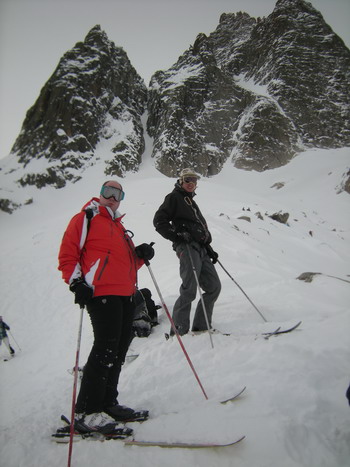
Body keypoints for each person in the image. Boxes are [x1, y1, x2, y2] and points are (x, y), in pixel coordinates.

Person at [58, 180, 155, 432]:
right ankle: (87, 412)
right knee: (105, 349)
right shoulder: (85, 219)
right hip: (101, 293)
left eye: (117, 194)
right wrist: (76, 282)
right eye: (107, 192)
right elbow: (68, 255)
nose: (112, 197)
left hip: (126, 294)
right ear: (100, 195)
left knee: (119, 351)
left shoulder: (119, 227)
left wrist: (141, 255)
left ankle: (108, 403)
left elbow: (128, 266)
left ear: (121, 198)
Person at [153, 168, 221, 336]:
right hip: (188, 248)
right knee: (189, 289)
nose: (191, 183)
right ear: (181, 181)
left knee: (213, 287)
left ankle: (201, 327)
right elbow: (159, 221)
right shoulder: (174, 197)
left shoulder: (190, 201)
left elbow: (197, 228)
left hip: (201, 249)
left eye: (194, 180)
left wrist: (209, 249)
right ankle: (179, 332)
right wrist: (176, 236)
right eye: (187, 180)